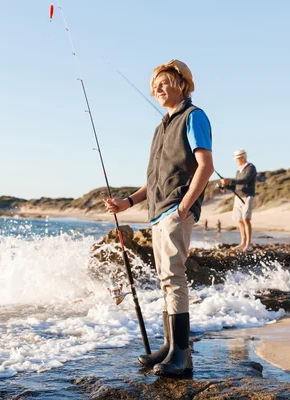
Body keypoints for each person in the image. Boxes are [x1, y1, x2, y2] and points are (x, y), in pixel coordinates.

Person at [104, 60, 214, 377]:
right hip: (159, 211)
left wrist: (185, 205)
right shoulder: (161, 127)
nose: (158, 89)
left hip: (176, 209)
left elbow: (205, 166)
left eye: (164, 82)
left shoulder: (194, 117)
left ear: (182, 83)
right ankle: (169, 347)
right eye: (155, 85)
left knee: (173, 276)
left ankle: (182, 355)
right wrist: (127, 202)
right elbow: (152, 181)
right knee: (166, 279)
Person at [220, 149, 257, 251]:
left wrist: (229, 181)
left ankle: (248, 245)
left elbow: (245, 180)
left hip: (248, 196)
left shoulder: (251, 167)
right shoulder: (238, 171)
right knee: (240, 220)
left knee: (246, 219)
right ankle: (243, 242)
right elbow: (236, 186)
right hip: (238, 197)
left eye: (237, 159)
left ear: (242, 158)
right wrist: (225, 187)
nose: (236, 161)